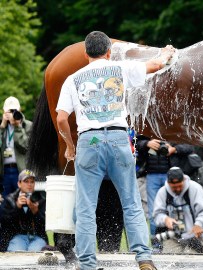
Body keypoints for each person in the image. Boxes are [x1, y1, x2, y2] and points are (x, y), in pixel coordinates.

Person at [55, 31, 176, 270]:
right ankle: (144, 258)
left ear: (86, 53)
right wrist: (166, 53)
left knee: (86, 206)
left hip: (89, 141)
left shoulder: (72, 79)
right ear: (109, 51)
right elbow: (154, 66)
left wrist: (70, 147)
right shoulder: (119, 68)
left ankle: (88, 264)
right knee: (130, 202)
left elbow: (60, 119)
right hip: (120, 138)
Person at [136, 135, 196, 251]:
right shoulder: (148, 127)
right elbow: (135, 143)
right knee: (154, 211)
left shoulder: (173, 128)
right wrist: (147, 143)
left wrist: (174, 149)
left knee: (176, 209)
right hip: (151, 174)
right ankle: (156, 244)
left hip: (171, 176)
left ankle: (178, 240)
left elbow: (190, 146)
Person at [152, 167, 203, 254]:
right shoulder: (162, 192)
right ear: (168, 183)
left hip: (195, 236)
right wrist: (165, 219)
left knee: (193, 262)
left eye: (180, 186)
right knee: (168, 262)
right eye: (174, 187)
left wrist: (199, 224)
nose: (178, 189)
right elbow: (157, 215)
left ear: (183, 180)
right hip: (173, 237)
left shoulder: (195, 188)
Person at [0, 169, 47, 251]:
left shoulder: (41, 200)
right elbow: (4, 223)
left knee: (35, 254)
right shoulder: (10, 200)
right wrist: (16, 207)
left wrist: (36, 212)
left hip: (37, 237)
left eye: (32, 182)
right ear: (19, 183)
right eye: (26, 181)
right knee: (16, 253)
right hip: (17, 237)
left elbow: (48, 225)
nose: (29, 184)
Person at [1, 96, 32, 198]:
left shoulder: (27, 126)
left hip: (21, 171)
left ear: (19, 110)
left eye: (14, 111)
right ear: (4, 112)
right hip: (4, 172)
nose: (12, 114)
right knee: (6, 205)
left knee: (23, 203)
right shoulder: (2, 126)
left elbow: (26, 147)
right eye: (9, 111)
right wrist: (2, 127)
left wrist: (18, 127)